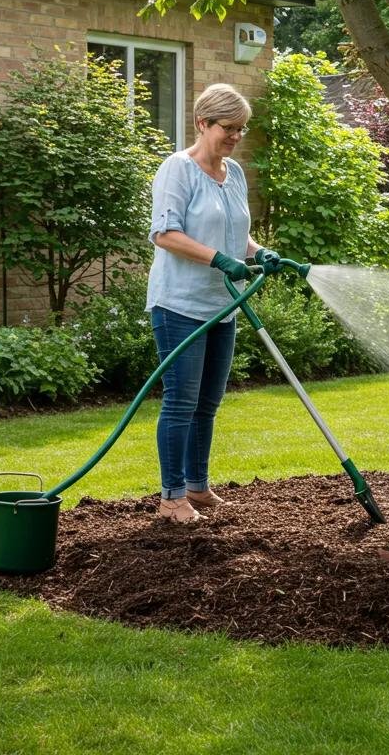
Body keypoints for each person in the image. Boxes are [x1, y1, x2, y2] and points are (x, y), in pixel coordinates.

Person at [146, 83, 281, 523]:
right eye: (229, 128)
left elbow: (233, 234)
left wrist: (256, 252)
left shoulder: (234, 173)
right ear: (203, 123)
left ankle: (198, 488)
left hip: (223, 305)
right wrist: (218, 259)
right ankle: (170, 497)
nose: (236, 136)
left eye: (242, 129)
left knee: (208, 403)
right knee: (181, 402)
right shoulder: (177, 169)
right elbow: (165, 235)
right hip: (180, 306)